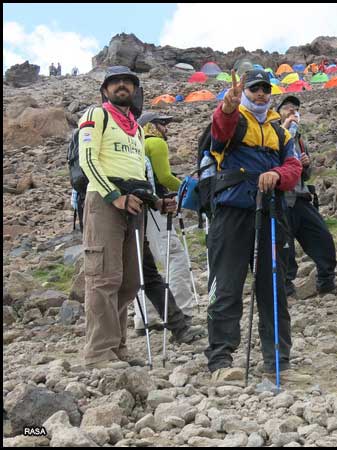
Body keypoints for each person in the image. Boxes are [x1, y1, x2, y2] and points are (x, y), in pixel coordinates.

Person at [204, 69, 306, 384]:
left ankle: (278, 361)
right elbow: (219, 133)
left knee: (272, 287)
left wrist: (277, 174)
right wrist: (228, 106)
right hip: (232, 211)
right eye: (254, 89)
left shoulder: (281, 132)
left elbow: (294, 166)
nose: (260, 94)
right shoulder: (234, 118)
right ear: (244, 92)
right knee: (227, 284)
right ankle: (221, 361)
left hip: (269, 212)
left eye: (264, 89)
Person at [78, 66, 177, 369]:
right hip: (105, 203)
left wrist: (158, 202)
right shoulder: (96, 115)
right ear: (105, 89)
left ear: (135, 89)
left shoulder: (135, 127)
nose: (122, 85)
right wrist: (114, 196)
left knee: (128, 281)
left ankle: (117, 347)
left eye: (128, 82)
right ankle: (98, 353)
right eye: (115, 82)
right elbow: (88, 160)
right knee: (103, 277)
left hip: (135, 207)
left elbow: (137, 175)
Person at [133, 112, 198, 334]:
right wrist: (192, 188)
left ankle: (146, 318)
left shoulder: (136, 145)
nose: (166, 128)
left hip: (137, 208)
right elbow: (164, 177)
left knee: (145, 264)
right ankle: (181, 309)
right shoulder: (156, 144)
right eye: (162, 123)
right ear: (151, 126)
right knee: (174, 255)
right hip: (155, 207)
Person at [274, 95, 337, 297]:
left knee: (322, 237)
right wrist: (284, 130)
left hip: (300, 196)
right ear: (278, 113)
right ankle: (284, 290)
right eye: (288, 109)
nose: (293, 112)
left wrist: (306, 164)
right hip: (279, 198)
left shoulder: (299, 139)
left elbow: (306, 175)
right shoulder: (271, 133)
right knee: (284, 247)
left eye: (295, 109)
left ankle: (325, 281)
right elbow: (268, 161)